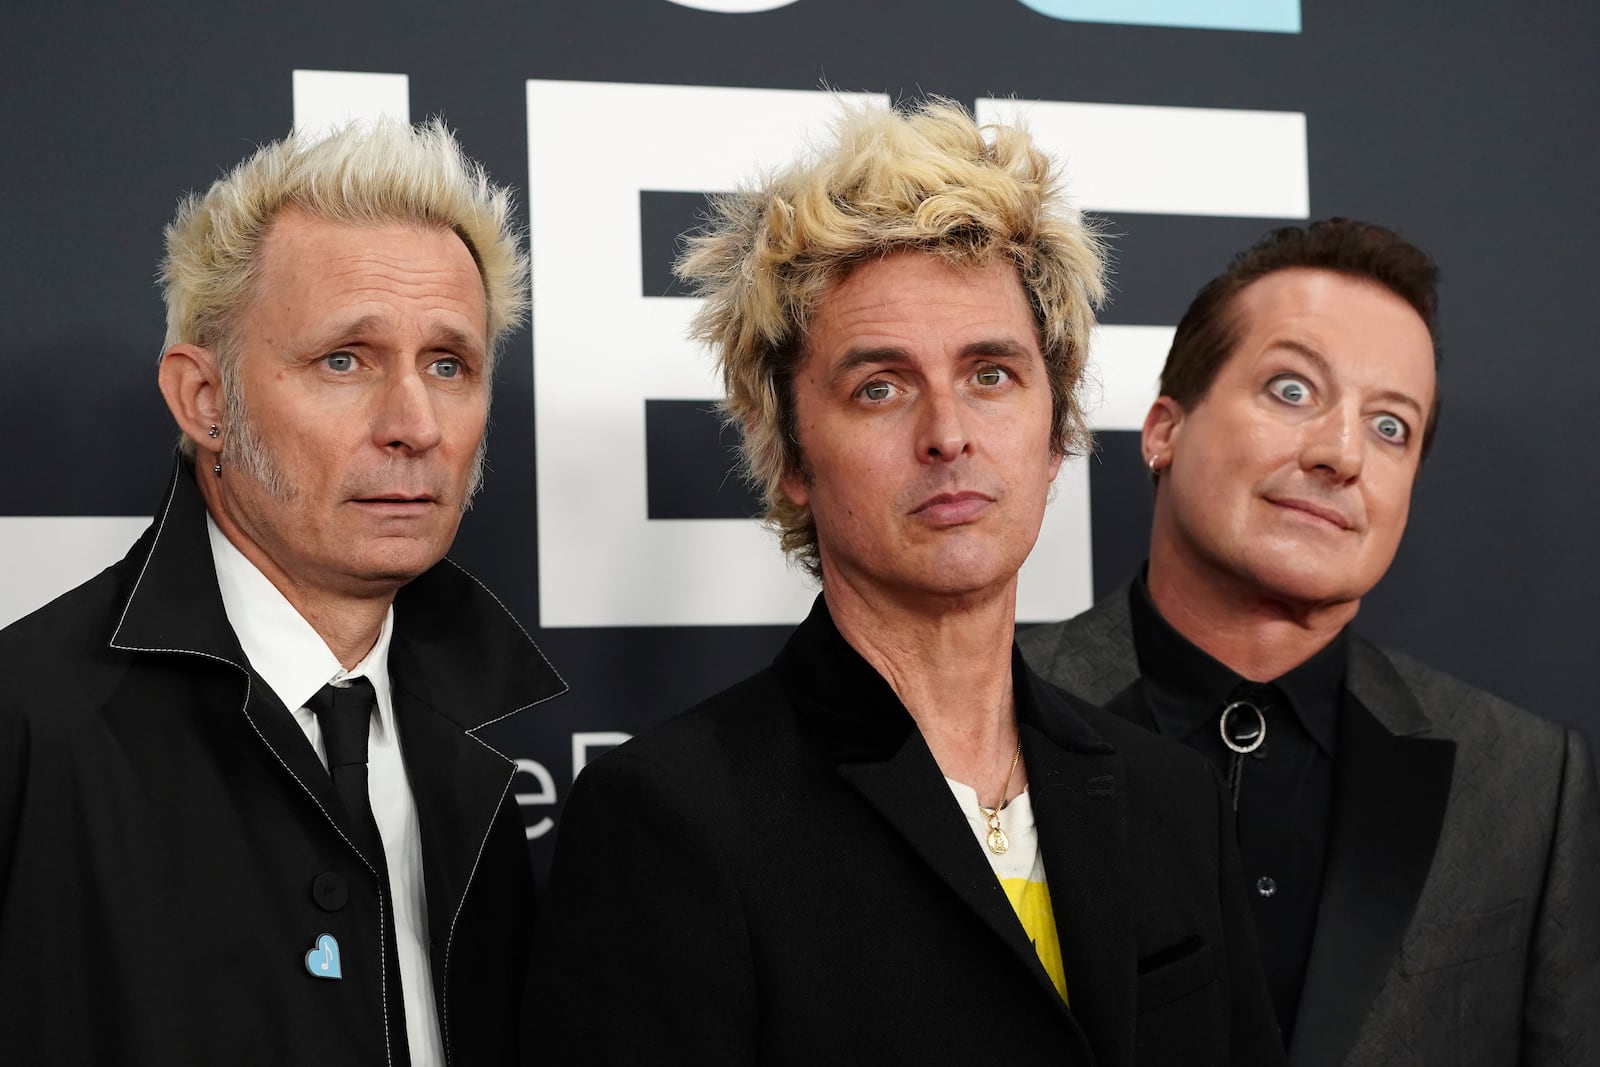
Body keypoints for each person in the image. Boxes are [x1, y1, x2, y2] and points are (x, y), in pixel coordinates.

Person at [529, 99, 1282, 1065]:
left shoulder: (1170, 797)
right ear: (791, 455)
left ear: (1056, 436)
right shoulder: (672, 819)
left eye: (992, 374)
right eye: (879, 386)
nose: (947, 432)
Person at [0, 120, 565, 1065]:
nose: (414, 425)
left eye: (448, 365)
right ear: (203, 401)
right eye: (344, 360)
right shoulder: (25, 728)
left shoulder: (483, 745)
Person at [1021, 218, 1600, 1065]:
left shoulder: (1526, 780)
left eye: (1390, 427)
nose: (1341, 454)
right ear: (1163, 431)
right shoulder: (989, 717)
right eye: (1292, 390)